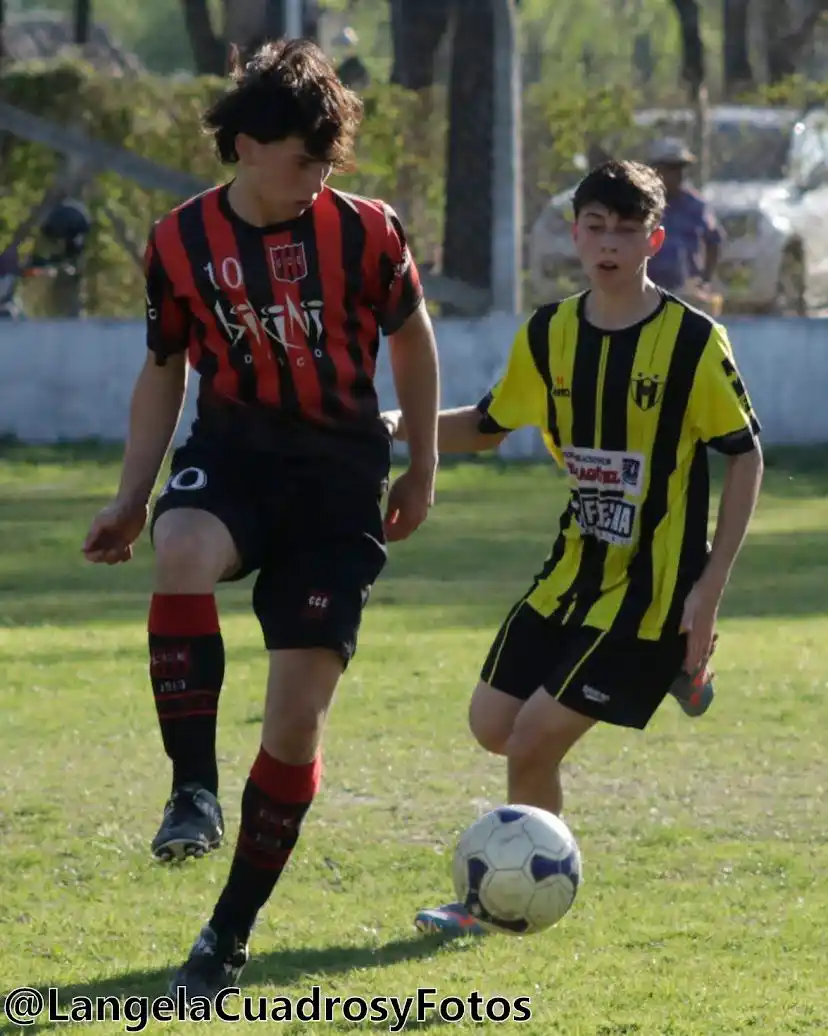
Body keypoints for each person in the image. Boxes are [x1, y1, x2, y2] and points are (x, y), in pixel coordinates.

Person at [82, 39, 439, 995]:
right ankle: (191, 790)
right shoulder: (178, 243)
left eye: (329, 160)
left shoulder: (367, 231)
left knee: (293, 726)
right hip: (234, 455)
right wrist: (130, 495)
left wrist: (424, 466)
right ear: (245, 144)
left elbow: (412, 340)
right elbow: (163, 369)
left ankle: (226, 935)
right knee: (180, 545)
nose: (318, 177)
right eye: (302, 159)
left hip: (338, 485)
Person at [384, 159, 763, 936]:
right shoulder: (549, 334)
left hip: (654, 590)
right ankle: (677, 672)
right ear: (575, 235)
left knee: (530, 742)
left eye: (627, 230)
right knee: (493, 725)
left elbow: (745, 454)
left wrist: (709, 588)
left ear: (654, 239)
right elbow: (487, 426)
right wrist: (392, 425)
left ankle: (499, 909)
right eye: (596, 227)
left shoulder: (693, 342)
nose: (610, 244)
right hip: (571, 574)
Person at [646, 138, 724, 309]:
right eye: (670, 168)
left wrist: (705, 279)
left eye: (680, 168)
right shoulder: (643, 206)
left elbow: (714, 240)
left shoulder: (696, 206)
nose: (677, 175)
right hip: (648, 289)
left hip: (687, 290)